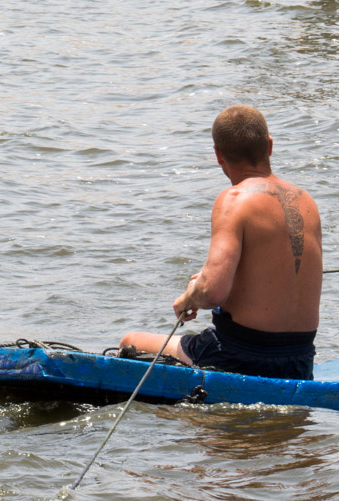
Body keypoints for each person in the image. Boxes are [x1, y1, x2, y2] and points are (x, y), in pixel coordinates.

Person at [119, 105, 322, 380]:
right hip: (300, 360)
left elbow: (212, 294)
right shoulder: (306, 201)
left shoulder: (234, 200)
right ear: (270, 146)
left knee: (130, 342)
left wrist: (190, 294)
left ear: (218, 155)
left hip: (238, 357)